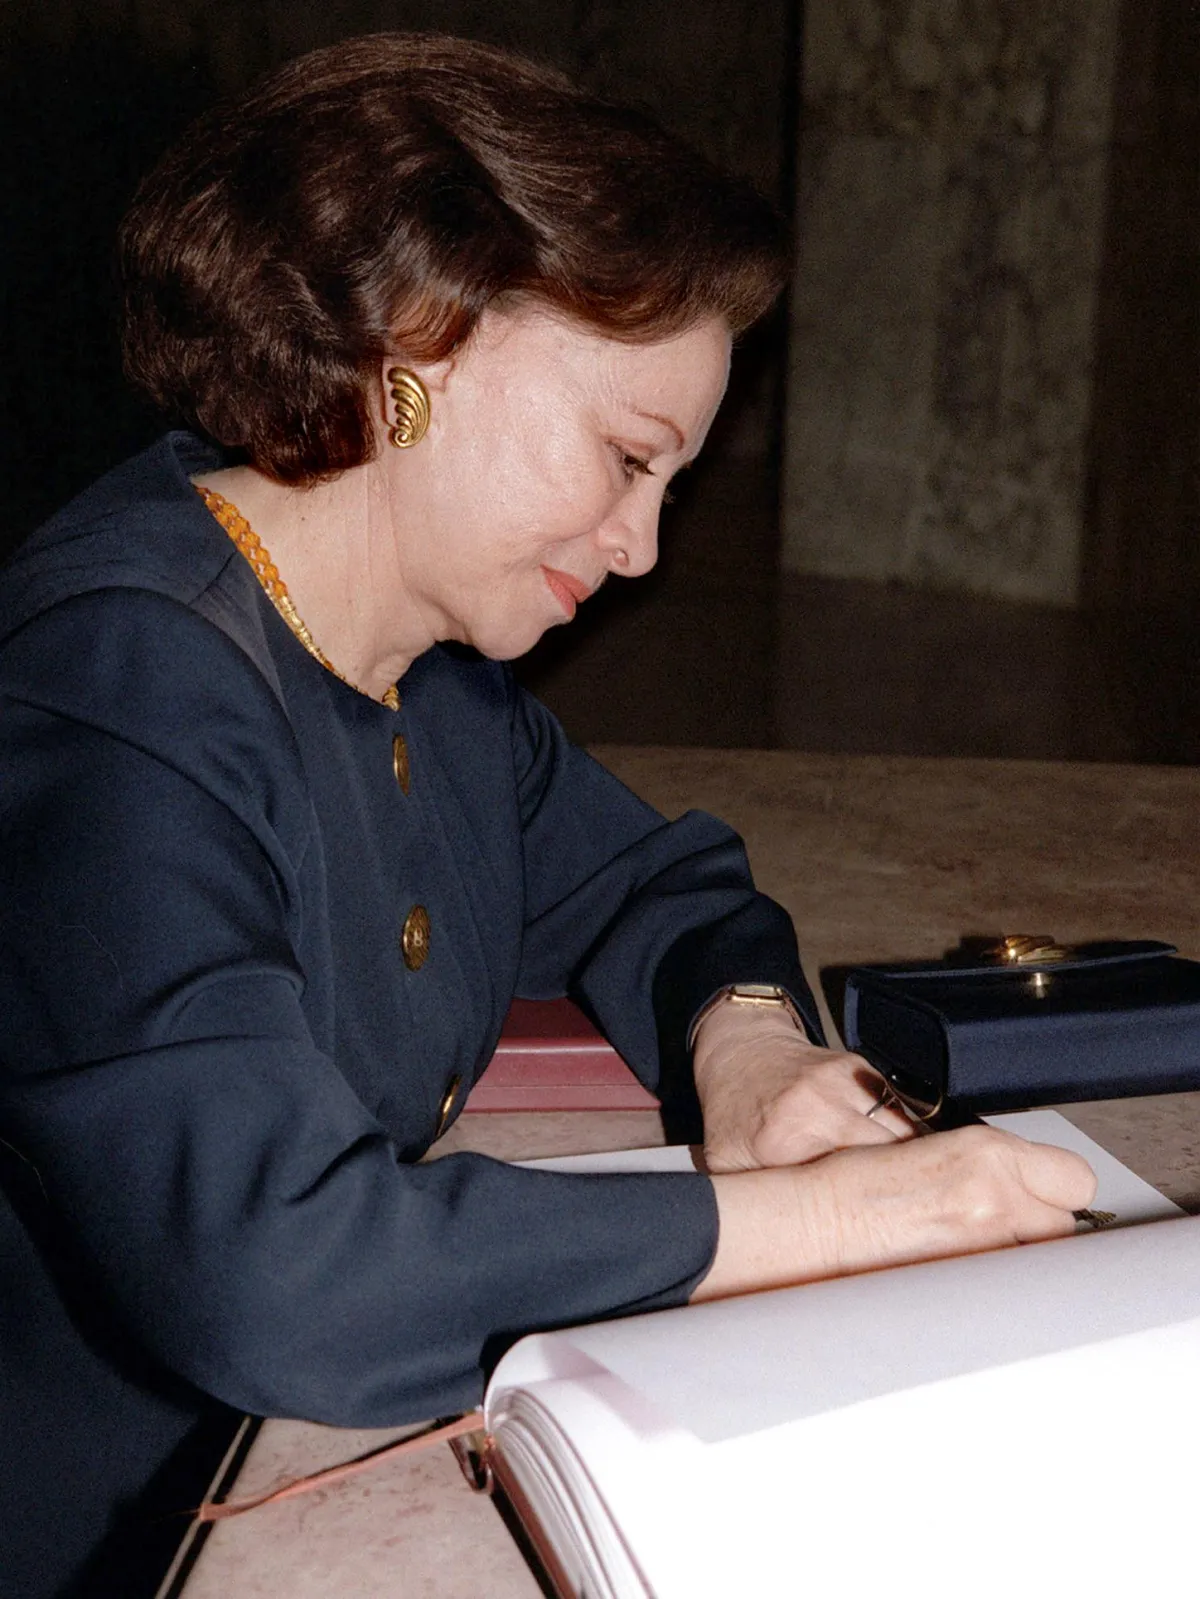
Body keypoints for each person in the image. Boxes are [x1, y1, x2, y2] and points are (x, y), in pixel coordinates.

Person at [0, 33, 1095, 1597]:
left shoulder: (424, 665)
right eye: (626, 456)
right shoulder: (116, 689)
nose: (643, 547)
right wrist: (821, 1213)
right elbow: (286, 1276)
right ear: (420, 342)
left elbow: (670, 890)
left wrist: (752, 1050)